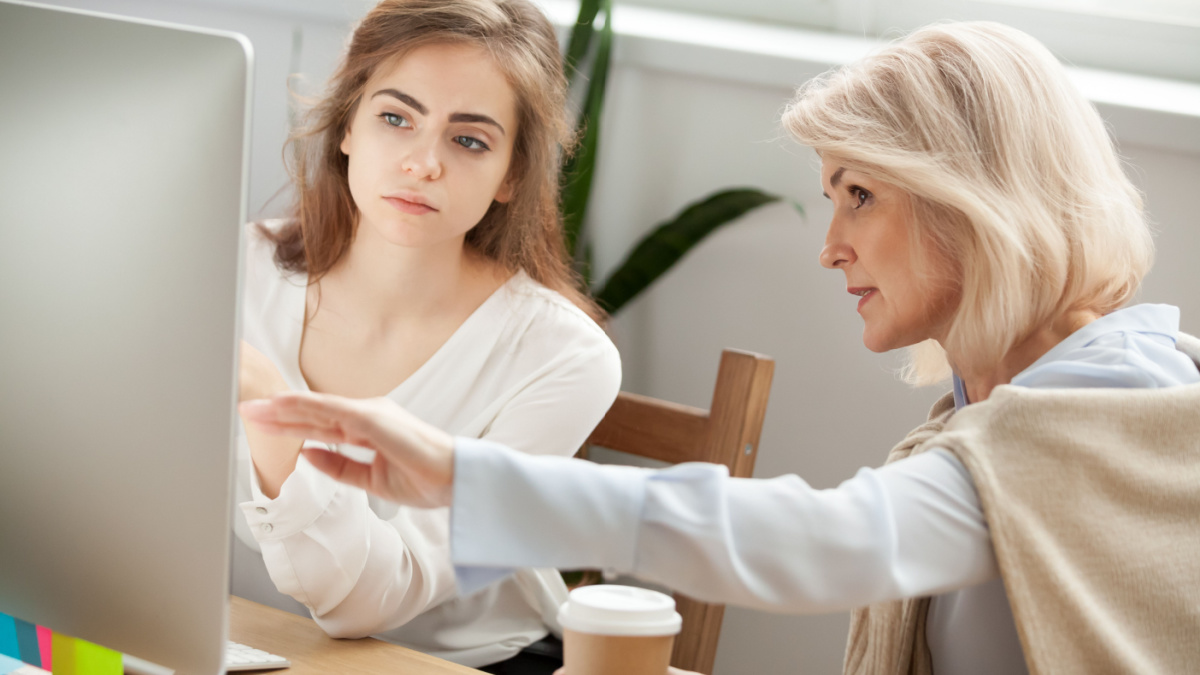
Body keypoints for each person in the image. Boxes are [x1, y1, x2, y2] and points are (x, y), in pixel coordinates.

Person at [239, 21, 1200, 675]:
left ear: (972, 203)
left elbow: (828, 542)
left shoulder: (1100, 419)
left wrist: (461, 476)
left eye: (860, 194)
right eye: (830, 198)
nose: (830, 245)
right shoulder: (1012, 409)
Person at [231, 1, 622, 672]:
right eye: (395, 118)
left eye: (469, 141)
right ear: (347, 125)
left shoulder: (565, 359)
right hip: (243, 645)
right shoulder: (237, 267)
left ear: (513, 174)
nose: (422, 163)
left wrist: (273, 410)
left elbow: (370, 604)